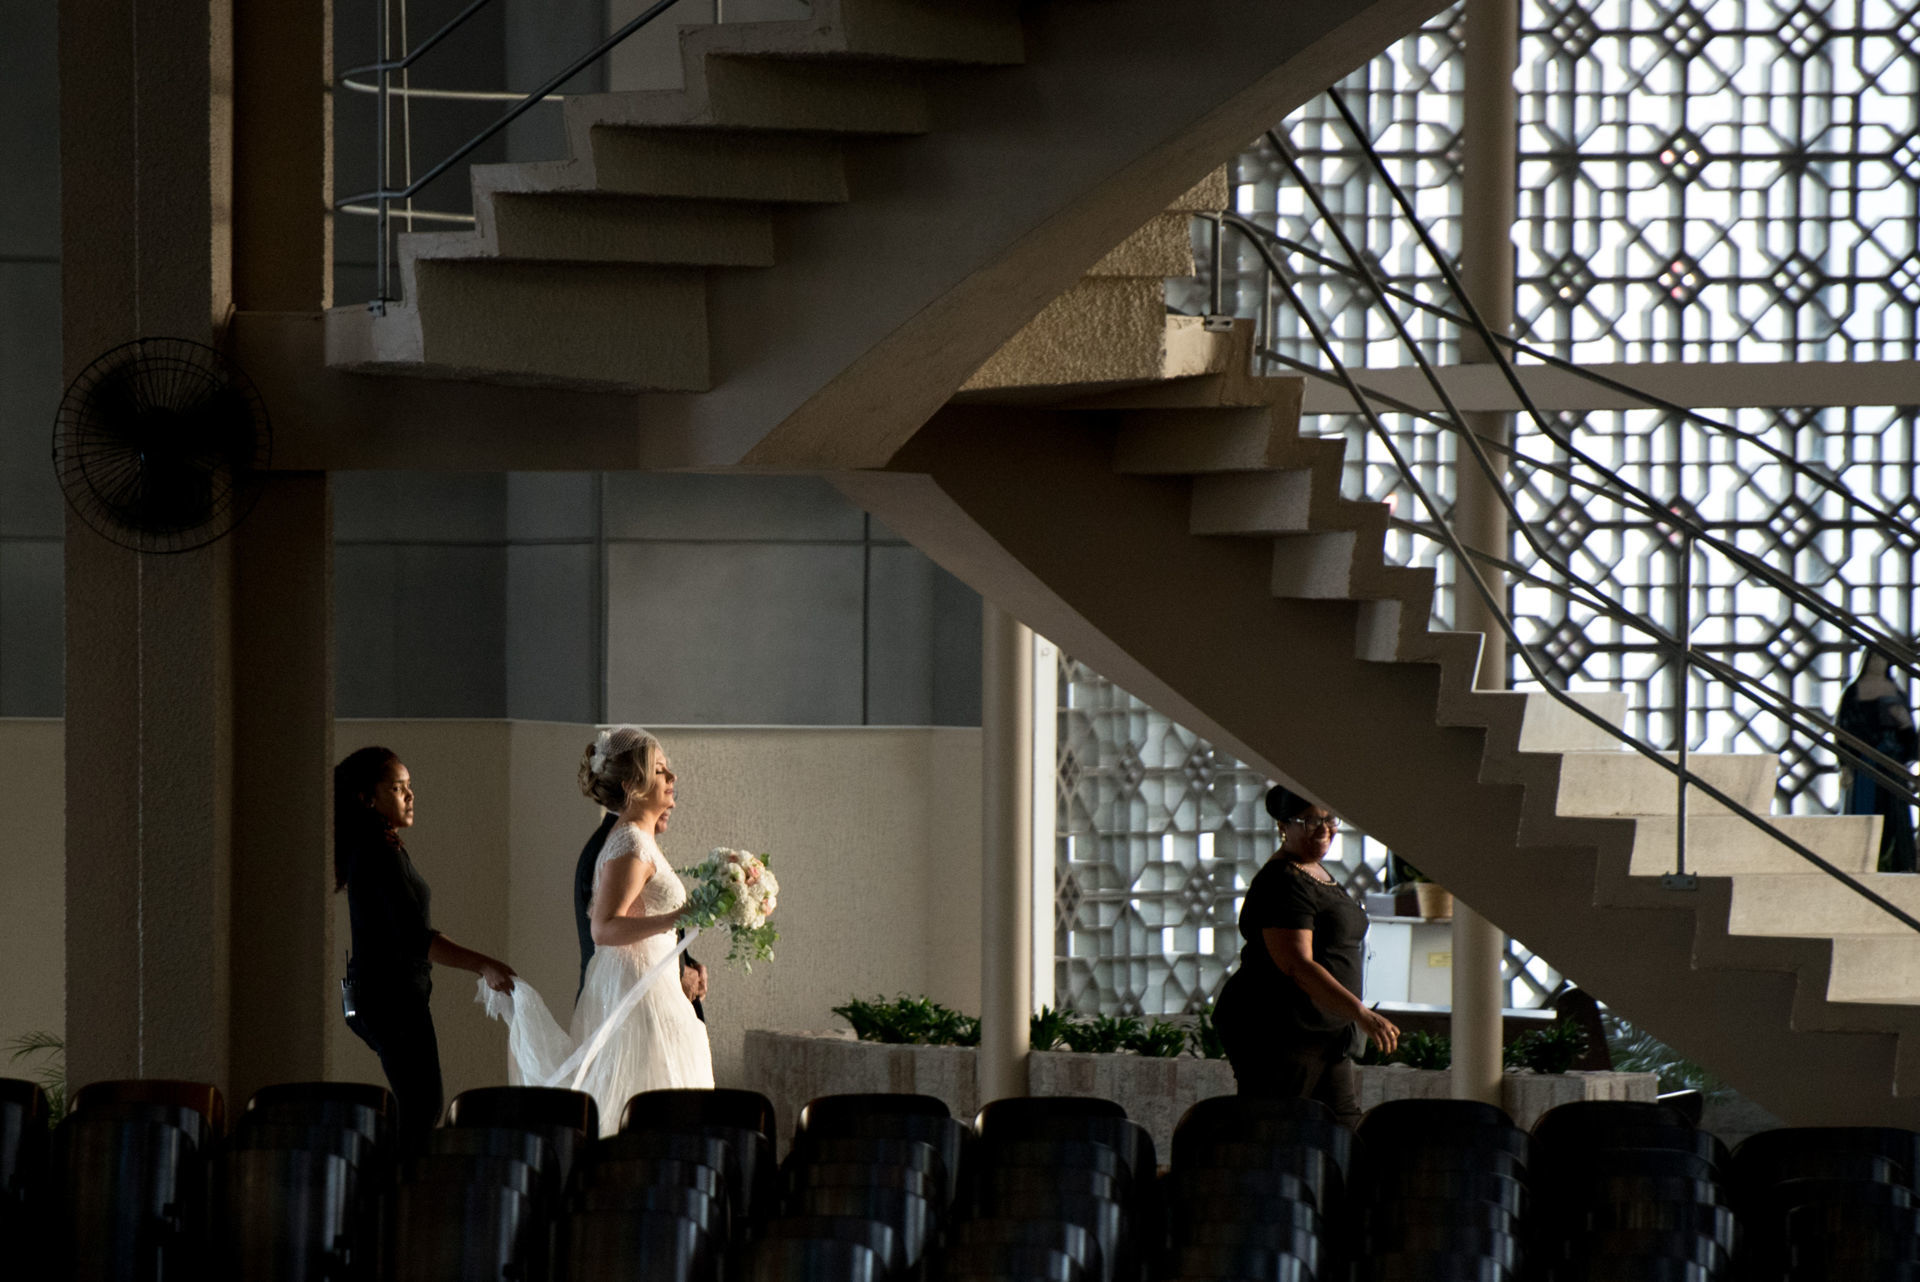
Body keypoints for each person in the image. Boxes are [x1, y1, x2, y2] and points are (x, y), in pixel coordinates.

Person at [488, 726, 714, 1133]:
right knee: (643, 1099)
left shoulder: (639, 839)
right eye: (660, 770)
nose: (672, 777)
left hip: (654, 985)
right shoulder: (630, 843)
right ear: (632, 786)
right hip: (635, 992)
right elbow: (604, 928)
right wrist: (681, 917)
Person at [334, 745, 517, 1151]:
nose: (410, 795)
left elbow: (410, 931)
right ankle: (393, 1184)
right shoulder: (378, 853)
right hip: (391, 999)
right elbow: (415, 938)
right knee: (422, 1108)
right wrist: (484, 965)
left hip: (388, 997)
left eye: (409, 786)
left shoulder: (382, 848)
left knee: (420, 1107)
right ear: (368, 798)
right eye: (397, 788)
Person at [1210, 784, 1398, 1129]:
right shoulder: (1283, 881)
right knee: (1279, 1128)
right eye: (1310, 821)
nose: (1324, 830)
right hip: (1282, 1030)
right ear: (1283, 825)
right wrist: (1359, 1012)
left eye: (1330, 819)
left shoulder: (1313, 871)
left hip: (1325, 1031)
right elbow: (1297, 965)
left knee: (1342, 1129)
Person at [575, 807, 708, 1019]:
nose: (671, 804)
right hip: (628, 1007)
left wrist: (686, 961)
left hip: (657, 997)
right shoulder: (623, 846)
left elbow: (643, 915)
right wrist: (681, 972)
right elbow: (607, 935)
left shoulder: (636, 840)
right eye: (666, 792)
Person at [1838, 648, 1919, 873]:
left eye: (1883, 658)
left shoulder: (1896, 691)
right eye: (1874, 658)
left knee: (1894, 812)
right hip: (1865, 762)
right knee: (1866, 808)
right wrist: (1844, 765)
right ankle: (1862, 858)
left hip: (1892, 761)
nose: (1878, 663)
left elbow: (1910, 737)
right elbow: (1843, 730)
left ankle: (1894, 862)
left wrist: (1904, 723)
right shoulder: (1853, 692)